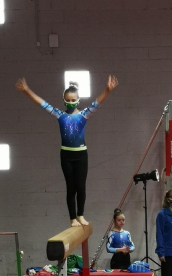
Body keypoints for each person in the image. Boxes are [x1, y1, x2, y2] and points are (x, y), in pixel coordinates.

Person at [15, 76, 118, 227]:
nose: (70, 103)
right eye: (67, 100)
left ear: (78, 100)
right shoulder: (60, 115)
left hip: (81, 155)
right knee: (71, 188)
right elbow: (42, 104)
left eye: (73, 100)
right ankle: (72, 218)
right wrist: (27, 91)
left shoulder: (84, 114)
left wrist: (107, 90)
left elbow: (98, 102)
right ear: (63, 100)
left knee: (81, 187)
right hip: (66, 155)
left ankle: (80, 215)